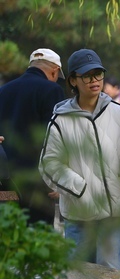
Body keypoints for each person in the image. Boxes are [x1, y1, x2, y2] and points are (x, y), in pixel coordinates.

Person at [38, 49, 120, 269]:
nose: (94, 81)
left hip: (115, 213)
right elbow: (49, 164)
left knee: (111, 274)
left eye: (98, 74)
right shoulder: (60, 120)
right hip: (78, 213)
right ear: (73, 80)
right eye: (87, 76)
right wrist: (80, 189)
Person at [0, 48, 65, 224]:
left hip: (6, 182)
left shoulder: (3, 90)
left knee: (10, 233)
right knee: (38, 238)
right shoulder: (52, 90)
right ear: (54, 71)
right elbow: (56, 137)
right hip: (38, 186)